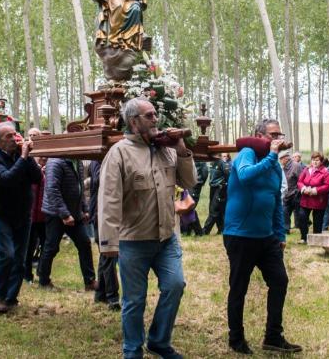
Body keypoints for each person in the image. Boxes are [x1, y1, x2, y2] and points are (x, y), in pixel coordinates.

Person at [98, 98, 197, 359]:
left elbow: (189, 181)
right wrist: (108, 244)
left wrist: (182, 148)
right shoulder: (119, 153)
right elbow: (109, 200)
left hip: (166, 239)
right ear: (134, 121)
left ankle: (159, 342)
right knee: (134, 300)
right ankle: (132, 350)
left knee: (175, 286)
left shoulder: (166, 149)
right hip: (133, 241)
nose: (156, 119)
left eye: (156, 114)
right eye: (149, 115)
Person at [223, 119, 301, 355]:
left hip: (267, 237)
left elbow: (277, 201)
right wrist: (271, 156)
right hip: (240, 235)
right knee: (239, 287)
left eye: (280, 134)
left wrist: (280, 233)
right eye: (272, 134)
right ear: (258, 135)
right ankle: (236, 338)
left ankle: (273, 336)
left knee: (280, 281)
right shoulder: (247, 153)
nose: (277, 138)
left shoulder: (275, 166)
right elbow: (245, 176)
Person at [0, 122, 42, 314]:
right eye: (9, 136)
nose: (14, 139)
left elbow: (36, 178)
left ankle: (11, 297)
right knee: (7, 254)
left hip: (23, 212)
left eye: (15, 134)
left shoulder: (21, 156)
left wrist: (28, 156)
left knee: (20, 257)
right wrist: (23, 158)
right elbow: (7, 179)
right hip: (2, 213)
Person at [37, 157, 97, 291]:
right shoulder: (55, 162)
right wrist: (64, 214)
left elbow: (80, 187)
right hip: (55, 213)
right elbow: (52, 189)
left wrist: (84, 208)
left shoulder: (77, 162)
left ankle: (90, 282)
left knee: (84, 243)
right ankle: (43, 281)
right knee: (51, 247)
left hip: (74, 213)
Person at [89, 160, 121, 310]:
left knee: (105, 256)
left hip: (105, 215)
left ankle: (100, 294)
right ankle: (112, 297)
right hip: (102, 216)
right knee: (109, 255)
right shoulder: (99, 161)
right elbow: (102, 181)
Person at [296, 152, 329, 244]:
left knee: (317, 220)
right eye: (313, 160)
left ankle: (316, 239)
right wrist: (303, 188)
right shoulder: (307, 169)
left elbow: (328, 186)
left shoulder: (325, 172)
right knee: (302, 217)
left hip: (319, 200)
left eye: (317, 160)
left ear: (321, 161)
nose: (315, 162)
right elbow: (300, 181)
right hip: (306, 198)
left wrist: (316, 190)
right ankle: (304, 237)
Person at [25, 156, 47, 283]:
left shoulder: (50, 169)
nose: (43, 158)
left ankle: (41, 271)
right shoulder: (30, 168)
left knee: (46, 245)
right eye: (41, 156)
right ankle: (27, 274)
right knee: (29, 246)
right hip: (31, 215)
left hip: (44, 215)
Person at [203, 153, 230, 235]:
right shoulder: (212, 162)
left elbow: (228, 175)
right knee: (218, 209)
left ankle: (205, 231)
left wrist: (224, 185)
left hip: (220, 187)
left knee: (214, 210)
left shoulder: (222, 163)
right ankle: (222, 229)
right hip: (213, 188)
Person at [279, 152, 301, 234]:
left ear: (285, 158)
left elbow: (300, 180)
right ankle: (286, 229)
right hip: (286, 194)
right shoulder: (282, 167)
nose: (280, 161)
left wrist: (297, 192)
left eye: (281, 159)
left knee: (299, 213)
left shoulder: (296, 166)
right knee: (285, 211)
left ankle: (302, 228)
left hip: (295, 194)